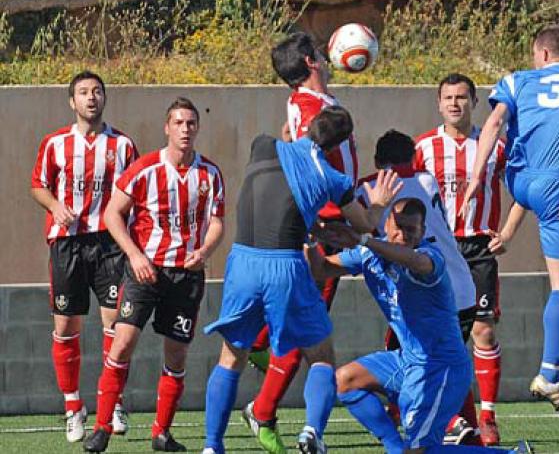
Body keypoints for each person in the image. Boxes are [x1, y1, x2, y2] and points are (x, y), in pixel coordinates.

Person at [201, 106, 401, 454]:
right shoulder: (333, 178)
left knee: (230, 357)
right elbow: (365, 225)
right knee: (321, 355)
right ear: (340, 145)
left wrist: (309, 223)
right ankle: (312, 432)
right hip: (285, 266)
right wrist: (379, 203)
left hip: (242, 262)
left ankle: (211, 445)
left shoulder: (262, 145)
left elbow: (280, 196)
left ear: (306, 125)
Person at [461, 25, 559, 417]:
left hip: (519, 180)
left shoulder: (517, 81)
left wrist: (477, 177)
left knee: (557, 163)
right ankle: (550, 373)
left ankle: (512, 227)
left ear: (543, 54)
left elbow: (494, 124)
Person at [307, 198, 533, 454]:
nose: (403, 234)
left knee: (422, 451)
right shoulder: (368, 254)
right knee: (345, 380)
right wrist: (309, 239)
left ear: (423, 231)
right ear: (387, 224)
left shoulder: (429, 257)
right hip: (408, 360)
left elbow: (416, 262)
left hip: (441, 367)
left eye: (411, 229)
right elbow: (320, 269)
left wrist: (363, 240)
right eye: (398, 227)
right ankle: (395, 448)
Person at [83, 97, 226, 453]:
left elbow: (217, 222)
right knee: (122, 343)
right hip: (145, 272)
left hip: (186, 276)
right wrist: (134, 255)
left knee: (176, 355)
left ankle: (161, 433)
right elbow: (112, 214)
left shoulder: (210, 174)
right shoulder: (145, 168)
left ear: (197, 128)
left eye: (190, 123)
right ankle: (101, 427)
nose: (185, 129)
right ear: (167, 127)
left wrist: (205, 252)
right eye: (178, 123)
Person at [243, 32, 360, 454]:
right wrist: (332, 218)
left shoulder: (307, 103)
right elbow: (309, 165)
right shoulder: (312, 108)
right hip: (326, 225)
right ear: (311, 62)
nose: (328, 58)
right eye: (321, 54)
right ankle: (265, 406)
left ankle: (263, 383)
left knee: (306, 326)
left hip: (326, 221)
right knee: (309, 330)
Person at [415, 74, 525, 445]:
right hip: (438, 251)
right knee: (441, 335)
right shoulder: (424, 147)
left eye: (462, 97)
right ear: (438, 103)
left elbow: (525, 190)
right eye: (448, 97)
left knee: (483, 331)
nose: (454, 103)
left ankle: (488, 416)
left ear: (475, 102)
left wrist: (507, 233)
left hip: (478, 248)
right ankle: (451, 416)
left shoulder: (495, 145)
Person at [30, 71, 137, 443]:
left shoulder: (123, 145)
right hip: (68, 245)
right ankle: (73, 407)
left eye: (97, 91)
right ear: (71, 101)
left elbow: (135, 191)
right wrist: (55, 206)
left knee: (116, 326)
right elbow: (37, 185)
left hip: (109, 244)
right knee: (65, 327)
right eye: (83, 92)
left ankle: (113, 401)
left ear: (104, 98)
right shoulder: (55, 143)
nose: (91, 97)